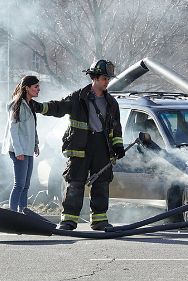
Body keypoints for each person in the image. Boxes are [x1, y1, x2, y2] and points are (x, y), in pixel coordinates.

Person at [32, 59, 125, 231]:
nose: (107, 82)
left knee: (101, 183)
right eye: (105, 78)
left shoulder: (112, 103)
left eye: (108, 79)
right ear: (95, 78)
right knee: (75, 183)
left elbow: (116, 128)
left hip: (102, 147)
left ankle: (99, 220)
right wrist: (39, 107)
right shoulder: (78, 97)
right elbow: (59, 107)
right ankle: (68, 221)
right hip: (80, 146)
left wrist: (118, 146)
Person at [2, 75, 40, 213]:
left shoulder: (30, 105)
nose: (38, 89)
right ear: (27, 88)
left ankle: (23, 211)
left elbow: (32, 127)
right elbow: (13, 129)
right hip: (19, 151)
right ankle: (13, 213)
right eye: (36, 86)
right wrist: (18, 151)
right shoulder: (16, 105)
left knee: (26, 185)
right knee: (19, 184)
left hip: (28, 149)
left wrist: (36, 144)